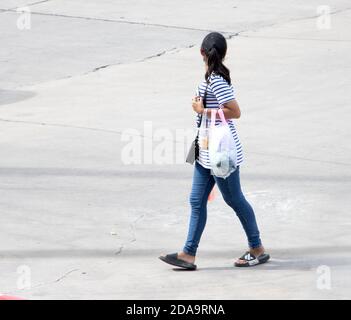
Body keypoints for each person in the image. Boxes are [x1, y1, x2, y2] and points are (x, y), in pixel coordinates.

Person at [159, 32, 270, 270]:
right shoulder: (211, 77)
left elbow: (235, 111)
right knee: (196, 200)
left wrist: (202, 111)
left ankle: (257, 249)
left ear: (201, 52)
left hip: (221, 153)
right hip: (205, 150)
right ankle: (188, 254)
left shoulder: (217, 79)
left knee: (234, 199)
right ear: (224, 53)